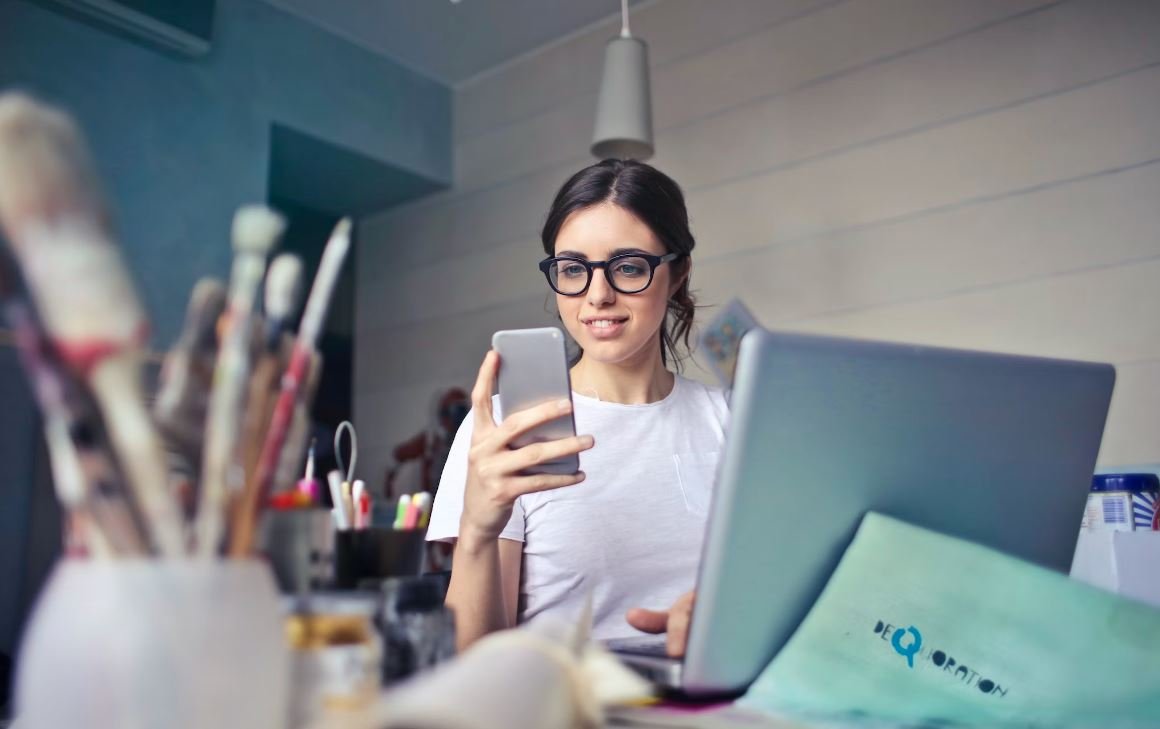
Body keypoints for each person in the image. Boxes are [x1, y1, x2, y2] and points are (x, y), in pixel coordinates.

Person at [426, 159, 728, 656]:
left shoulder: (733, 422)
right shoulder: (507, 429)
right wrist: (478, 530)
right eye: (573, 269)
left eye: (629, 266)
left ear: (677, 274)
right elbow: (474, 663)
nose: (598, 295)